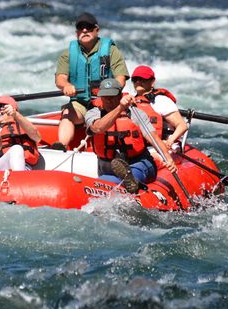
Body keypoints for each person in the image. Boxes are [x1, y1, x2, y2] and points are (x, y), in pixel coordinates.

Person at [85, 78, 177, 193]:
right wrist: (119, 108)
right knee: (106, 181)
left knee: (133, 173)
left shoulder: (136, 113)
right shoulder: (93, 113)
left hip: (139, 163)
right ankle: (124, 183)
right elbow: (98, 128)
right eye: (105, 97)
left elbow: (154, 138)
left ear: (119, 96)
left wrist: (168, 159)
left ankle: (130, 180)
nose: (108, 100)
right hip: (108, 170)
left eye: (112, 97)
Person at [54, 12, 129, 150]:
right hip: (80, 103)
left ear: (96, 30)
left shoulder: (111, 50)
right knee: (67, 113)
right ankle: (61, 146)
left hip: (106, 101)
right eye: (80, 28)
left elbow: (121, 78)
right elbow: (60, 78)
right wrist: (66, 85)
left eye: (88, 27)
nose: (84, 30)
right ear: (76, 33)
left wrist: (110, 92)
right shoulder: (68, 53)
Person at [132, 65, 188, 150]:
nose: (138, 82)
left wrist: (170, 141)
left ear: (152, 82)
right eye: (135, 79)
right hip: (141, 146)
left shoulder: (161, 101)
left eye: (142, 79)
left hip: (162, 146)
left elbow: (182, 126)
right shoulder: (132, 101)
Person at [0, 95, 41, 171]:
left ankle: (18, 178)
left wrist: (16, 115)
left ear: (12, 108)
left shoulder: (24, 126)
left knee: (17, 152)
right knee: (16, 149)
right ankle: (18, 180)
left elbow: (37, 138)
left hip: (22, 167)